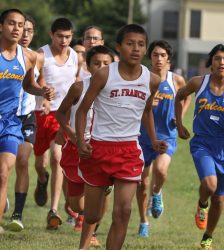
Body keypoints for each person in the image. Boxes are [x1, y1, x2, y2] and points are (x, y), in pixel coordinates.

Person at [75, 24, 167, 250]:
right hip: (98, 149)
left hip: (128, 151)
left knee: (123, 212)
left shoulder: (152, 80)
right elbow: (83, 110)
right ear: (118, 47)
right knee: (91, 216)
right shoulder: (104, 75)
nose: (136, 49)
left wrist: (153, 140)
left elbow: (146, 111)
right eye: (130, 43)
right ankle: (103, 187)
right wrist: (80, 141)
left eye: (141, 44)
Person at [175, 44, 224, 249]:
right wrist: (179, 123)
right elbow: (179, 96)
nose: (221, 62)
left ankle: (208, 236)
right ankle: (202, 204)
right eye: (217, 58)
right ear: (211, 62)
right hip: (202, 143)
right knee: (209, 185)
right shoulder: (198, 82)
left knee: (219, 199)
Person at [0, 8, 53, 233]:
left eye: (20, 25)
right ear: (1, 26)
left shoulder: (29, 57)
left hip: (11, 122)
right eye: (11, 23)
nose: (16, 29)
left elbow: (28, 85)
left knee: (4, 172)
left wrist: (42, 90)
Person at [56, 45, 115, 248]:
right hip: (74, 149)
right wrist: (70, 133)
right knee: (76, 204)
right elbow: (61, 113)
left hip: (101, 149)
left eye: (106, 63)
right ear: (88, 66)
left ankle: (92, 233)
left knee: (95, 202)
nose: (101, 67)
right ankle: (78, 210)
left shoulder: (115, 91)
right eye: (96, 63)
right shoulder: (79, 88)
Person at [136, 40, 191, 237]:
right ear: (149, 57)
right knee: (141, 183)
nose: (158, 59)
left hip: (167, 134)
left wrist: (180, 116)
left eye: (162, 55)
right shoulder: (142, 78)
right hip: (142, 136)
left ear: (168, 58)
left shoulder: (176, 80)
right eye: (155, 55)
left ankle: (157, 193)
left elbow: (186, 96)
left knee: (160, 170)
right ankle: (143, 221)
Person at [33, 17, 80, 230]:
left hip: (63, 115)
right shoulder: (41, 55)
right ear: (51, 35)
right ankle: (42, 180)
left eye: (68, 37)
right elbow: (37, 80)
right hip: (42, 113)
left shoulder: (75, 57)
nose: (64, 40)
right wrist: (44, 95)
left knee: (57, 157)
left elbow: (76, 81)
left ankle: (54, 211)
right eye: (60, 36)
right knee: (40, 164)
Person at [7, 15, 45, 232]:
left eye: (29, 30)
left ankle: (18, 214)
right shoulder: (5, 55)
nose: (24, 34)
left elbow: (40, 84)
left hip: (27, 116)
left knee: (22, 161)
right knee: (5, 166)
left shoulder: (36, 57)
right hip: (5, 115)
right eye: (22, 29)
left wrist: (45, 95)